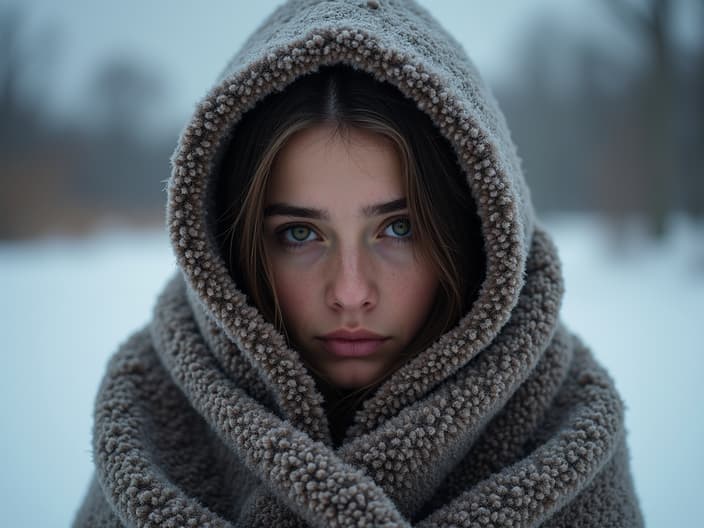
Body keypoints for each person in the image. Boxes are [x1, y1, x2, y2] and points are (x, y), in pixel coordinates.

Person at [74, 1, 643, 526]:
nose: (350, 292)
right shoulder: (148, 422)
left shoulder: (565, 432)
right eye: (299, 233)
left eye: (400, 228)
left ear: (478, 231)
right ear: (230, 249)